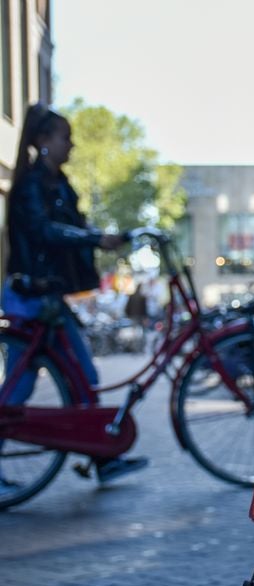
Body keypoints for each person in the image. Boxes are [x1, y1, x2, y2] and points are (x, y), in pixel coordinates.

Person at [3, 103, 148, 484]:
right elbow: (44, 231)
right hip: (33, 297)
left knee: (77, 375)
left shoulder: (57, 183)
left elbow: (71, 227)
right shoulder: (32, 186)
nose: (73, 145)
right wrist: (95, 238)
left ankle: (102, 455)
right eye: (66, 137)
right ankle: (101, 457)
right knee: (27, 383)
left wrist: (99, 237)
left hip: (47, 297)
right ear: (43, 141)